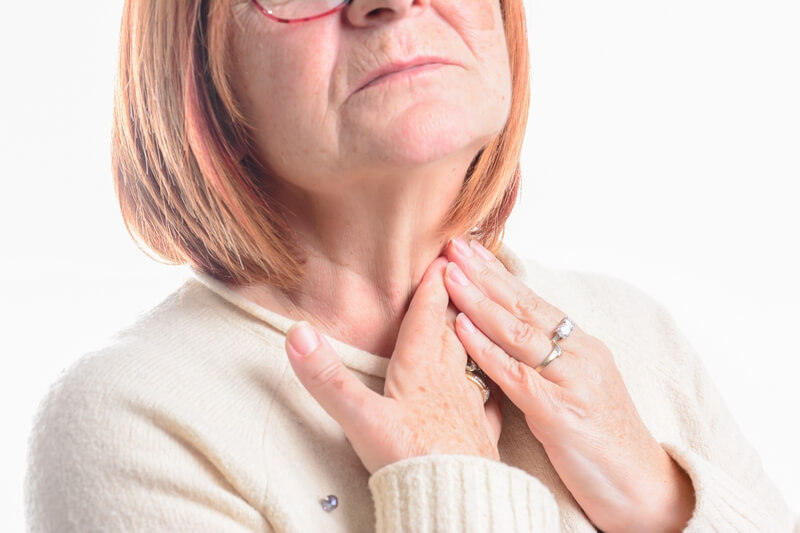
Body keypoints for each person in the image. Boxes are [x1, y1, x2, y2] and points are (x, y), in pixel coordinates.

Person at [23, 0, 798, 531]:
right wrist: (452, 481)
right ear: (196, 59)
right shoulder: (137, 419)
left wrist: (666, 502)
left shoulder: (632, 336)